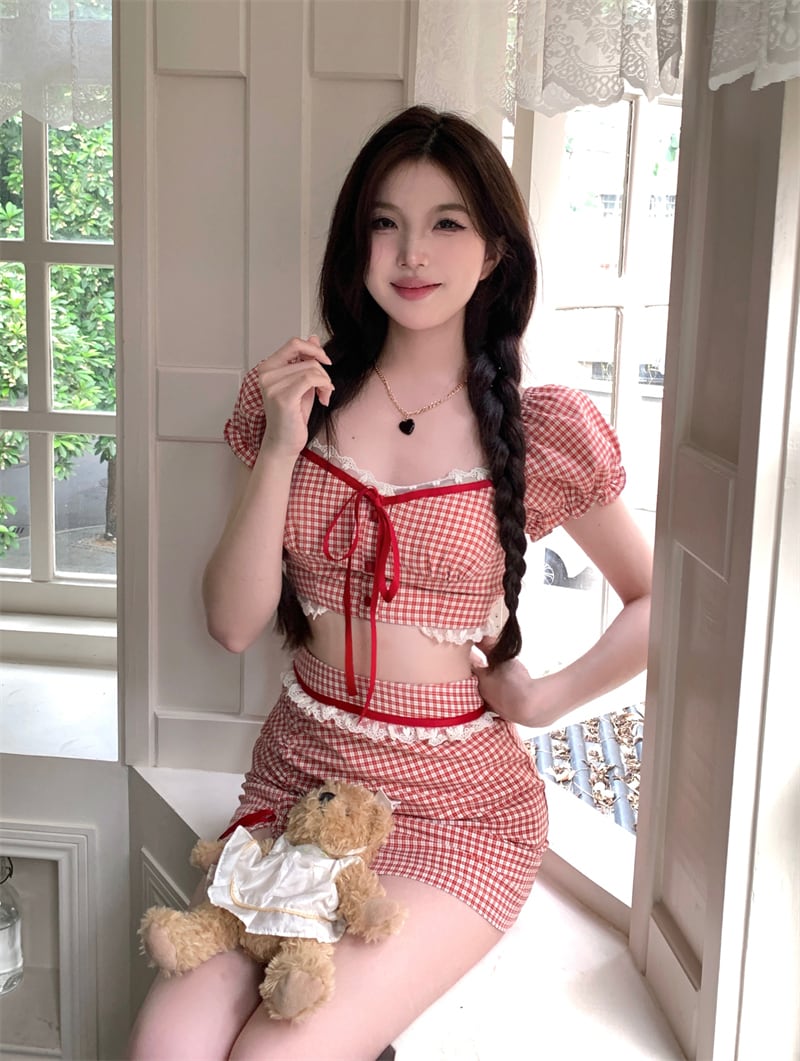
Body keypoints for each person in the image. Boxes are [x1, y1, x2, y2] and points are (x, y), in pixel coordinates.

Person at [128, 105, 652, 1061]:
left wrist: (542, 699)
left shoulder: (540, 429)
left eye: (447, 222)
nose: (412, 253)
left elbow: (659, 602)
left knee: (279, 1051)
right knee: (166, 1042)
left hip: (457, 807)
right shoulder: (297, 396)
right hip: (301, 782)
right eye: (385, 222)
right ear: (355, 242)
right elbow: (233, 623)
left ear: (495, 251)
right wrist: (282, 445)